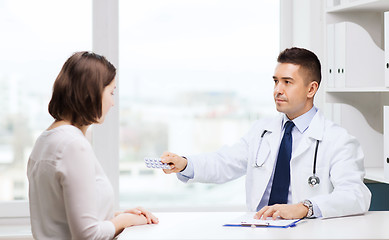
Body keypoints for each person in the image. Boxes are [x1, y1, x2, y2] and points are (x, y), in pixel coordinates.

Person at [161, 47, 371, 220]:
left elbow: (355, 194)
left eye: (287, 82)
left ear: (311, 89)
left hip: (307, 231)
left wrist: (305, 207)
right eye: (275, 81)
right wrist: (186, 163)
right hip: (259, 229)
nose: (277, 90)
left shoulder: (338, 140)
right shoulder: (262, 131)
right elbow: (224, 162)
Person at [27, 51, 158, 240]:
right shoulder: (73, 145)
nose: (113, 103)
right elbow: (87, 235)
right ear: (92, 92)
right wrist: (125, 222)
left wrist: (117, 216)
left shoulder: (46, 139)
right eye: (111, 92)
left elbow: (63, 219)